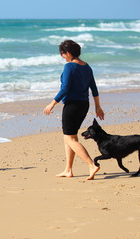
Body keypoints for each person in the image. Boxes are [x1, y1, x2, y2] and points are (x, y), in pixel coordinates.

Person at [43, 40, 104, 180]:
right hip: (84, 105)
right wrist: (98, 106)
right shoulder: (87, 67)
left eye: (63, 54)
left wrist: (52, 104)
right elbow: (94, 88)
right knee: (70, 137)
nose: (63, 57)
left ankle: (91, 165)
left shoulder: (69, 67)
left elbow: (64, 88)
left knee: (70, 139)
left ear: (68, 53)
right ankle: (68, 170)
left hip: (72, 106)